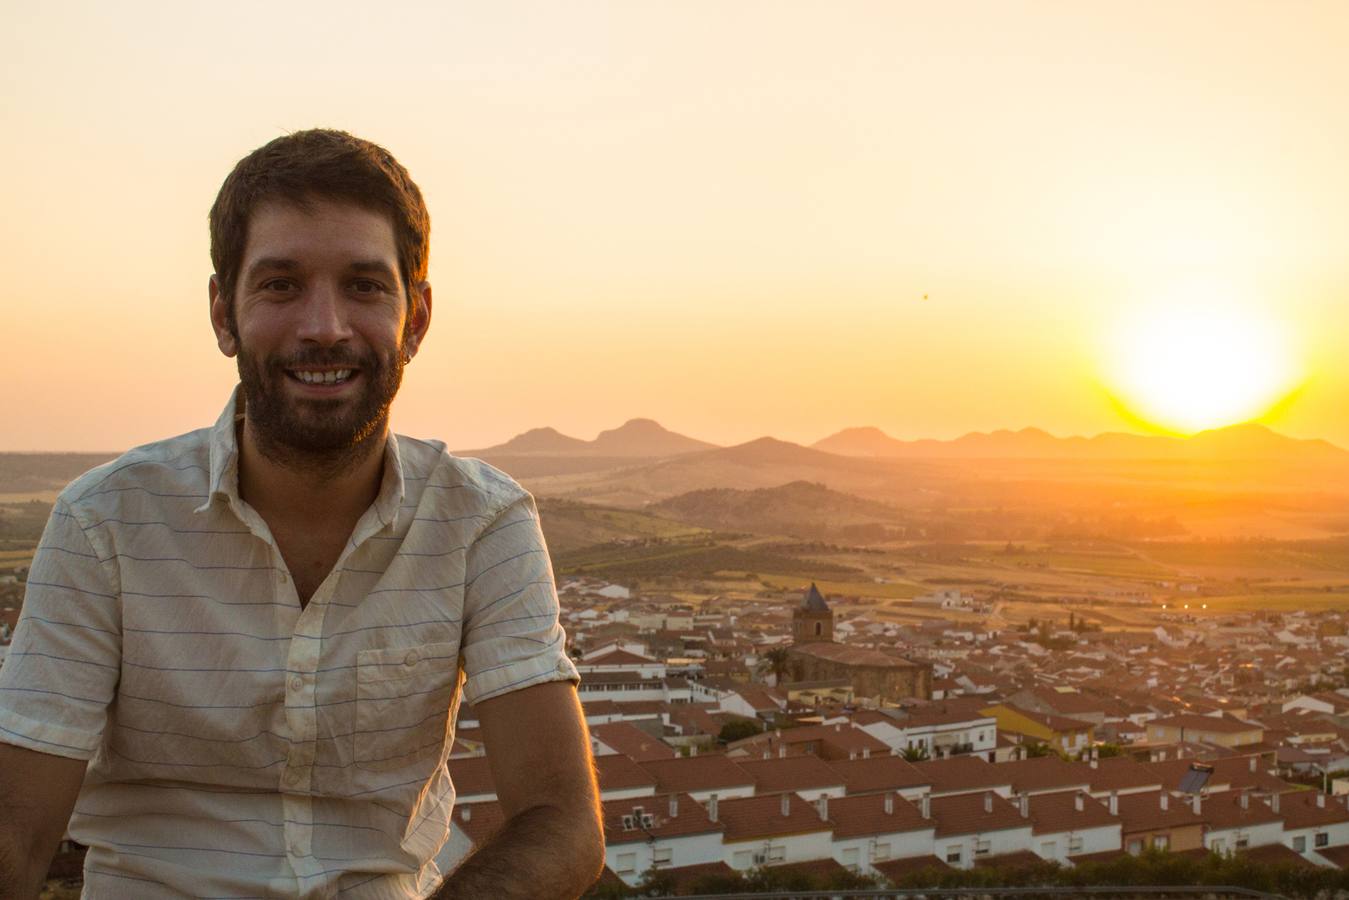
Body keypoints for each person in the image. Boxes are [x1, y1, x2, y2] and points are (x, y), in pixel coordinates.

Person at [0, 129, 605, 899]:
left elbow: (561, 820)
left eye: (364, 285)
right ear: (224, 313)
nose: (324, 326)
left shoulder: (483, 521)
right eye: (281, 285)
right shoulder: (105, 521)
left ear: (415, 319)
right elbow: (16, 827)